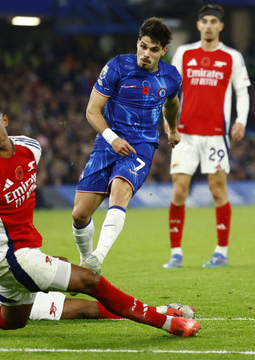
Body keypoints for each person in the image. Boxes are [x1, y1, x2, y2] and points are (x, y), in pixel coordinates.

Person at [0, 97, 200, 337]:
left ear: (4, 121)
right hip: (13, 259)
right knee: (89, 281)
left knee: (11, 321)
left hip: (11, 259)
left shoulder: (30, 148)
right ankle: (170, 322)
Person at [0, 177, 196, 321]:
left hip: (18, 273)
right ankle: (165, 313)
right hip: (5, 298)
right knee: (87, 308)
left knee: (78, 278)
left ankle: (161, 312)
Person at [71, 17, 182, 274]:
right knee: (79, 214)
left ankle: (97, 257)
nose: (146, 54)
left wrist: (172, 128)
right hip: (108, 142)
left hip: (141, 145)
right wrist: (112, 138)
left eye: (153, 49)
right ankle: (86, 262)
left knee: (120, 189)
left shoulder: (171, 77)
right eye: (143, 46)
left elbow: (171, 103)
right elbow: (92, 111)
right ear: (137, 43)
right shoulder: (117, 66)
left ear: (163, 51)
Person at [163, 4, 251, 269]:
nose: (210, 25)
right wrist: (168, 124)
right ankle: (176, 253)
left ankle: (221, 251)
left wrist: (240, 120)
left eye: (215, 21)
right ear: (199, 25)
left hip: (215, 135)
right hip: (185, 134)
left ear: (221, 26)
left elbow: (242, 91)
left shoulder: (232, 57)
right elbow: (169, 90)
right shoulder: (184, 53)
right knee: (179, 191)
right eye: (206, 21)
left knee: (217, 190)